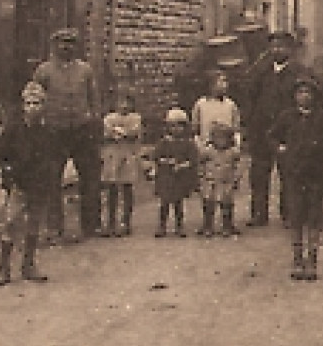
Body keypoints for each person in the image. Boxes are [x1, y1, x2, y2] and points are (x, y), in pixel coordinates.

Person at [32, 28, 103, 240]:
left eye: (71, 43)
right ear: (55, 45)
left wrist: (94, 121)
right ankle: (54, 226)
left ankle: (91, 225)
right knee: (51, 178)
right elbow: (34, 96)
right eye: (62, 43)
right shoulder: (44, 71)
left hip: (82, 129)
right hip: (54, 130)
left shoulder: (85, 70)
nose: (66, 47)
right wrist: (38, 125)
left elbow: (94, 98)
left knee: (89, 178)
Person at [0, 82, 62, 286]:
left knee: (34, 223)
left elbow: (55, 156)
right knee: (11, 222)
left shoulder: (48, 131)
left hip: (39, 184)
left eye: (37, 103)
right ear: (23, 106)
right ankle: (3, 268)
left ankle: (29, 265)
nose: (33, 108)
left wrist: (50, 174)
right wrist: (7, 170)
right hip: (19, 184)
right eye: (29, 103)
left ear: (44, 106)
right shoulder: (14, 130)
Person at [270, 79, 323, 280]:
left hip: (316, 175)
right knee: (296, 217)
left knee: (314, 217)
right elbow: (273, 136)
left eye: (308, 92)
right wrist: (280, 149)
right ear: (294, 96)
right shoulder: (287, 117)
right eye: (300, 92)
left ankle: (312, 260)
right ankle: (297, 259)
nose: (304, 96)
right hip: (294, 174)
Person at [243, 30, 304, 227]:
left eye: (281, 46)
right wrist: (250, 124)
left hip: (287, 130)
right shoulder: (260, 71)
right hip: (262, 129)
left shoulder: (299, 72)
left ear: (290, 50)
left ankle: (289, 213)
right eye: (273, 46)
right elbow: (250, 97)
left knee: (289, 171)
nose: (277, 50)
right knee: (259, 172)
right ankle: (259, 213)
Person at [99, 90, 145, 237]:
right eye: (120, 102)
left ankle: (126, 221)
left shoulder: (135, 118)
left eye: (127, 102)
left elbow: (134, 132)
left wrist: (121, 132)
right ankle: (111, 222)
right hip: (112, 155)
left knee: (127, 188)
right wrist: (116, 133)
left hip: (128, 155)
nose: (124, 106)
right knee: (112, 189)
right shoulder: (108, 118)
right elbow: (106, 134)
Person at [153, 109, 198, 238]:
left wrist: (182, 165)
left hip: (180, 177)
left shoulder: (188, 143)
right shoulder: (164, 142)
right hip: (166, 176)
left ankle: (179, 226)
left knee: (178, 203)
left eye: (180, 126)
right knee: (164, 202)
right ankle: (162, 226)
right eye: (173, 126)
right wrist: (166, 161)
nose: (176, 129)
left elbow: (193, 160)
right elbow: (156, 157)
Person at [197, 122, 244, 238]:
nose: (221, 141)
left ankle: (227, 226)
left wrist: (236, 178)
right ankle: (208, 226)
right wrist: (201, 176)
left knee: (226, 204)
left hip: (226, 182)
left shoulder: (233, 152)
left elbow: (239, 166)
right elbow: (200, 164)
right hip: (210, 182)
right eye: (218, 138)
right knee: (209, 204)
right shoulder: (208, 151)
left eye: (224, 138)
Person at [190, 71, 243, 152]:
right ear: (212, 84)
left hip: (227, 151)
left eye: (225, 81)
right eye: (221, 81)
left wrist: (237, 146)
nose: (225, 85)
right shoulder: (200, 104)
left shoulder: (231, 105)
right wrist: (199, 147)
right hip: (206, 150)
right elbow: (195, 131)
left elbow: (236, 130)